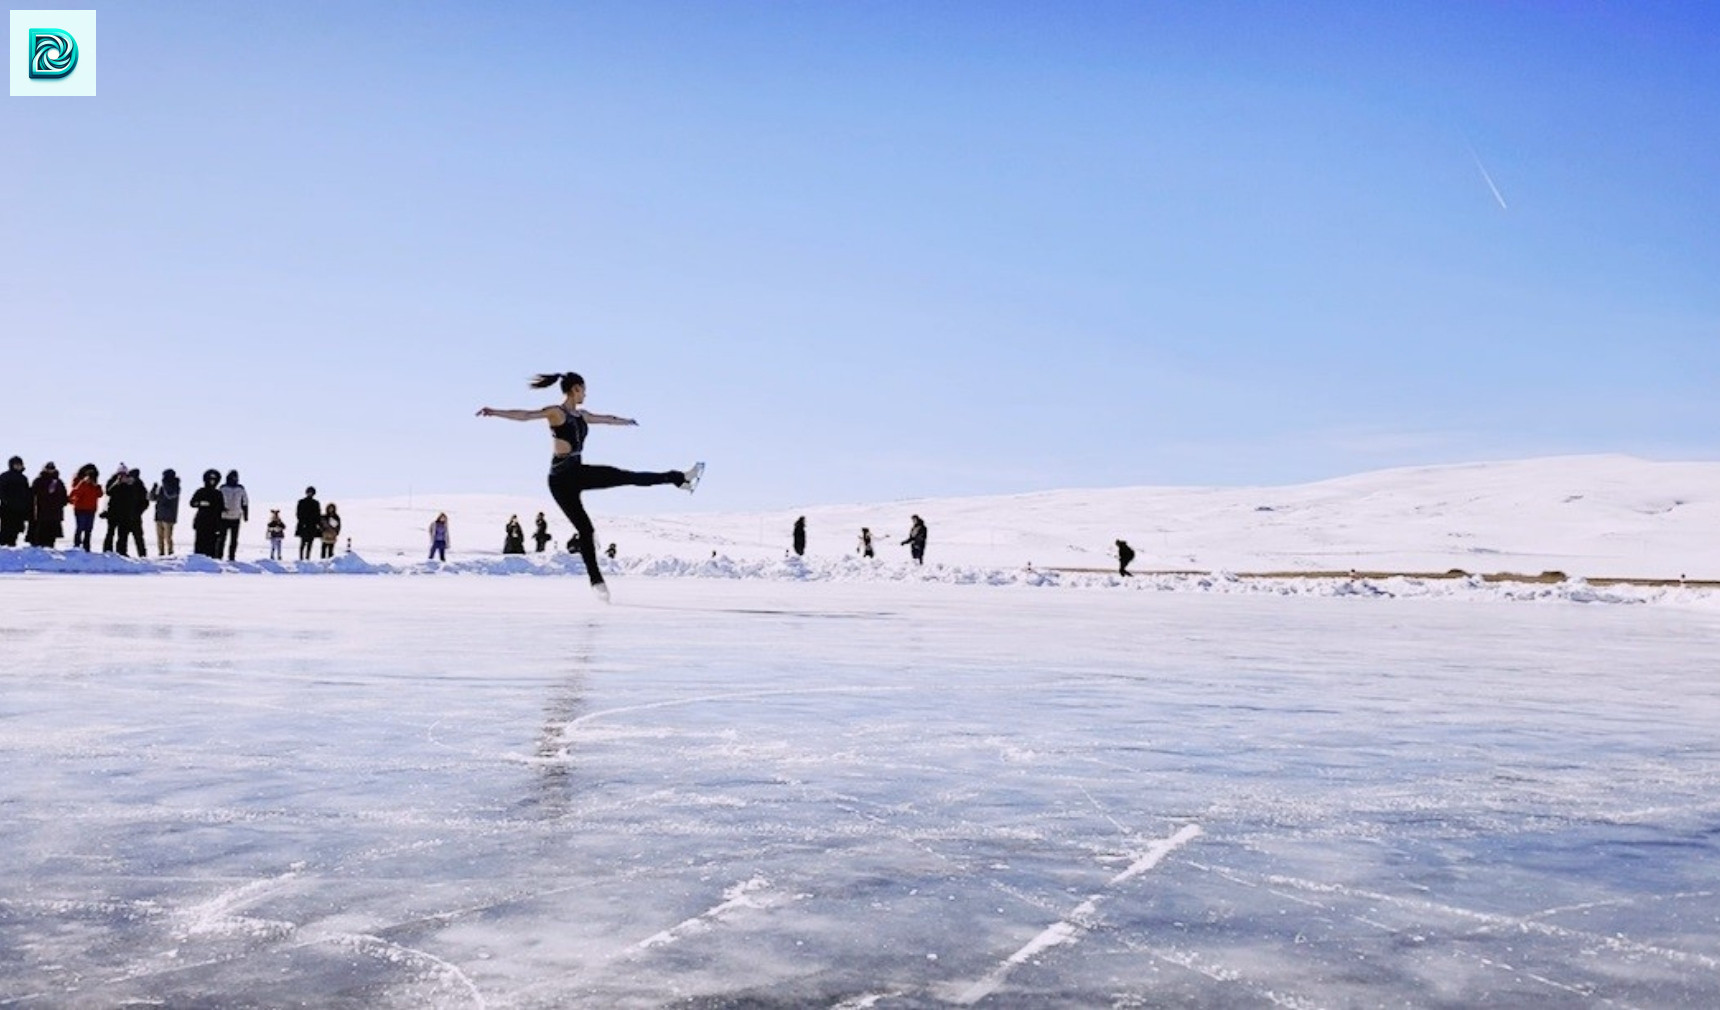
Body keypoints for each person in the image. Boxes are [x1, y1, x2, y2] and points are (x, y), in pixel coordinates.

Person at [478, 370, 704, 602]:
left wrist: (624, 421)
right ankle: (596, 581)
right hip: (560, 481)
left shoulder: (581, 415)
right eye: (583, 389)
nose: (586, 394)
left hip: (579, 472)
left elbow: (605, 418)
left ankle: (681, 479)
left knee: (627, 476)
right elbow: (525, 415)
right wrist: (494, 412)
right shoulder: (557, 413)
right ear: (575, 389)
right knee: (586, 530)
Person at [108, 469, 149, 557]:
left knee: (138, 538)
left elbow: (145, 502)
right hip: (124, 516)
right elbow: (111, 492)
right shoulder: (122, 484)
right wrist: (118, 482)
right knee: (122, 537)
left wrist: (138, 512)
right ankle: (121, 554)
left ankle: (142, 555)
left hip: (135, 517)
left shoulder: (139, 486)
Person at [188, 469, 227, 558]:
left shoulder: (218, 493)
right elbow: (192, 503)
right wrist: (200, 503)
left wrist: (220, 525)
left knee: (212, 545)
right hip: (201, 521)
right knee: (200, 544)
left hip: (213, 522)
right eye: (210, 480)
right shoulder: (200, 491)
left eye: (214, 480)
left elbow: (220, 508)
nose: (212, 482)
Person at [27, 462, 66, 548]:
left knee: (51, 534)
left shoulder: (58, 482)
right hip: (41, 512)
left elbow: (64, 496)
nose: (50, 470)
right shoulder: (39, 481)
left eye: (52, 468)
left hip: (55, 512)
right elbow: (32, 494)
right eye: (48, 468)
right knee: (40, 533)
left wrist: (61, 503)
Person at [68, 464, 103, 552]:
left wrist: (96, 486)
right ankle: (76, 545)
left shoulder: (95, 486)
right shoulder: (81, 483)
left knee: (88, 529)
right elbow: (76, 492)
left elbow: (100, 494)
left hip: (91, 509)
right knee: (80, 527)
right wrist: (83, 483)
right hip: (80, 509)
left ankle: (86, 547)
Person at [219, 470, 249, 561]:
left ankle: (230, 556)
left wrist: (245, 515)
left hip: (233, 516)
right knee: (223, 539)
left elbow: (245, 502)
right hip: (226, 516)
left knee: (232, 539)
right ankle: (221, 556)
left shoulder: (240, 489)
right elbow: (219, 501)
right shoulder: (223, 488)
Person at [0, 456, 31, 547]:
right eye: (16, 465)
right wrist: (5, 500)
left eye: (19, 465)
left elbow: (27, 493)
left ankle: (12, 544)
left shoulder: (23, 478)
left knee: (17, 528)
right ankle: (3, 545)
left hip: (20, 508)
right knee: (6, 528)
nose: (18, 466)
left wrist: (26, 505)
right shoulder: (5, 476)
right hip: (7, 507)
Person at [150, 469, 181, 555]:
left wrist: (165, 485)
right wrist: (153, 489)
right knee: (159, 537)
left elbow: (170, 495)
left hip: (169, 516)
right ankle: (161, 553)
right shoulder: (162, 487)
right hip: (159, 515)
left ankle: (170, 553)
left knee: (168, 537)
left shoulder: (176, 487)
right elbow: (152, 498)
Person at [295, 487, 321, 561]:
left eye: (311, 492)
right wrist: (302, 522)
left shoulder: (316, 503)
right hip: (303, 525)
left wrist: (317, 524)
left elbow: (318, 514)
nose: (310, 493)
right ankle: (301, 558)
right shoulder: (301, 502)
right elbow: (298, 513)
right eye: (309, 492)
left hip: (312, 525)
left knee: (310, 543)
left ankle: (307, 557)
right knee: (302, 542)